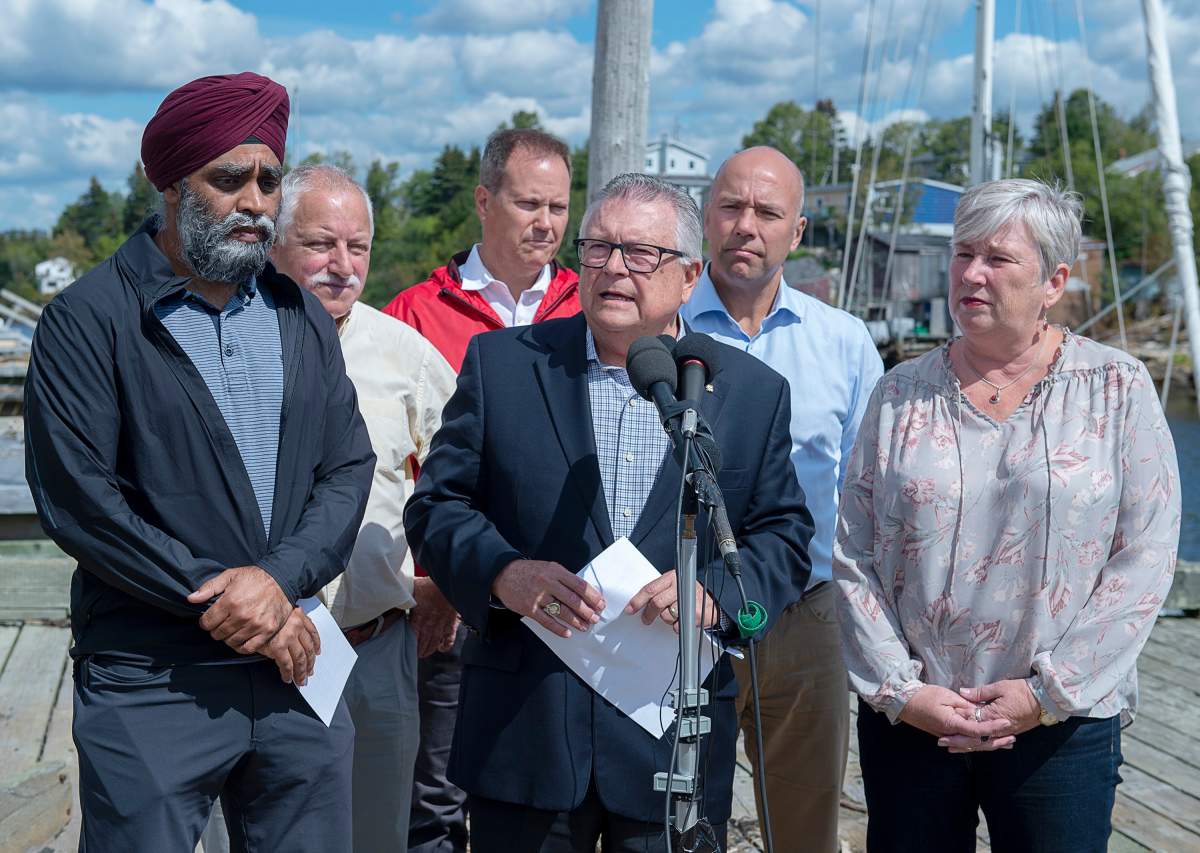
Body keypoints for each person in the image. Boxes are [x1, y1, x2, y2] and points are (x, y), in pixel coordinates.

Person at [404, 172, 814, 852]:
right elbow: (437, 508)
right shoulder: (503, 366)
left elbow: (784, 537)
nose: (614, 268)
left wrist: (715, 595)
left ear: (688, 277)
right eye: (597, 249)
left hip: (670, 747)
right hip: (526, 735)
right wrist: (504, 574)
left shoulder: (749, 393)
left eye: (640, 254)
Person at [22, 73, 375, 852]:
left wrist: (278, 583)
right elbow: (84, 502)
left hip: (295, 668)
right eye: (229, 179)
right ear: (172, 182)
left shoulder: (298, 315)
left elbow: (348, 468)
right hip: (154, 676)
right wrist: (240, 606)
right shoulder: (88, 321)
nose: (255, 200)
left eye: (269, 179)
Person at [834, 178, 1181, 853]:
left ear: (1053, 280)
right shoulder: (899, 391)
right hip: (915, 719)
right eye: (963, 254)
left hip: (1059, 725)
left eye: (997, 258)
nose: (971, 273)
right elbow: (852, 553)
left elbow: (1146, 556)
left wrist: (1045, 694)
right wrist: (901, 691)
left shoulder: (1116, 388)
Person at [383, 127, 580, 853]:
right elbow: (395, 465)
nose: (547, 223)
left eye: (560, 206)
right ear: (483, 200)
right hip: (452, 598)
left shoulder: (590, 308)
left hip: (565, 604)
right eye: (529, 202)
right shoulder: (413, 312)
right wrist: (429, 579)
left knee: (545, 804)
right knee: (432, 798)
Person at [681, 146, 883, 851]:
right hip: (682, 612)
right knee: (673, 817)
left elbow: (870, 492)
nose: (747, 224)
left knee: (804, 827)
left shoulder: (847, 344)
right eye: (732, 206)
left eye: (768, 212)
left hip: (804, 614)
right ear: (707, 216)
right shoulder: (660, 329)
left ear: (797, 232)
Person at [270, 163, 457, 851]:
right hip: (265, 651)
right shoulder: (235, 340)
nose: (343, 266)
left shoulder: (404, 352)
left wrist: (444, 578)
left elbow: (464, 473)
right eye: (322, 244)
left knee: (379, 834)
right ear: (274, 242)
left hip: (376, 645)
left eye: (360, 247)